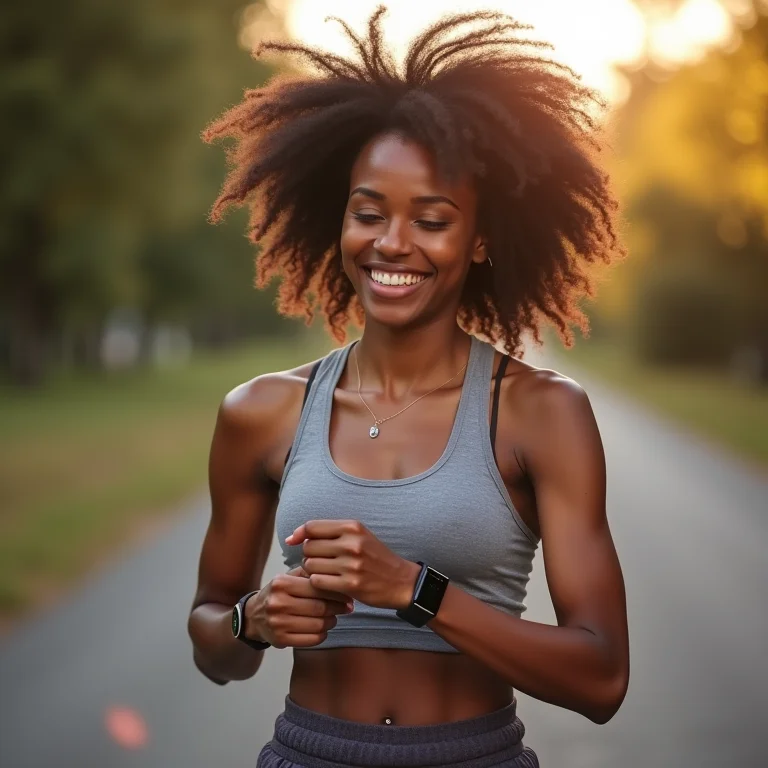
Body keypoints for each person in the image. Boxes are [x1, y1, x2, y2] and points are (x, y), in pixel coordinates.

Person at [187, 8, 629, 767]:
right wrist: (250, 622)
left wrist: (415, 590)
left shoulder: (540, 413)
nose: (392, 244)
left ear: (479, 239)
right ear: (339, 222)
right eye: (369, 213)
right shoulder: (260, 412)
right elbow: (212, 646)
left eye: (432, 220)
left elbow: (602, 678)